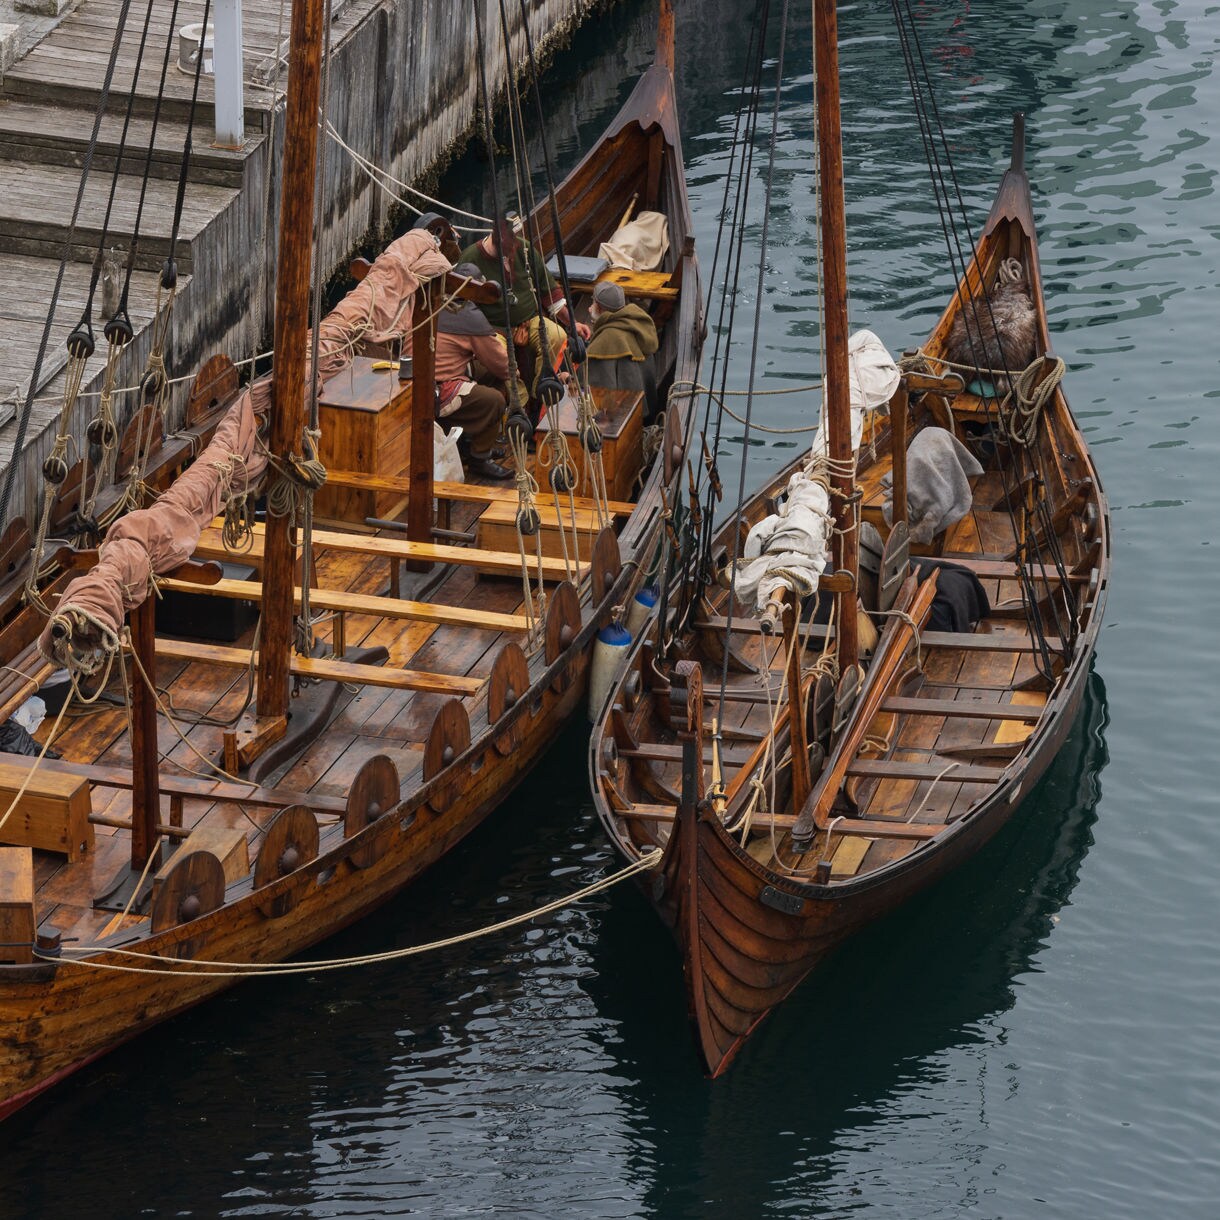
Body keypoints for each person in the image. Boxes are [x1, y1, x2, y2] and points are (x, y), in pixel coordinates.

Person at [459, 214, 590, 421]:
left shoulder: (525, 249)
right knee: (501, 356)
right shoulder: (471, 258)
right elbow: (463, 307)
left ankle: (541, 389)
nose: (517, 245)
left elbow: (550, 293)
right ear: (498, 237)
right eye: (512, 240)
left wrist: (572, 323)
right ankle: (521, 408)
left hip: (529, 320)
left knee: (556, 335)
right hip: (492, 329)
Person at [433, 263, 515, 480]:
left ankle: (470, 444)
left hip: (419, 380)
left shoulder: (433, 302)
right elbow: (504, 365)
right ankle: (480, 458)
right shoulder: (468, 314)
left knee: (487, 375)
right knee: (495, 399)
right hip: (438, 390)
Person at [584, 279, 659, 408]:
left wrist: (568, 379)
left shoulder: (604, 342)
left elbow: (598, 393)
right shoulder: (640, 325)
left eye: (593, 303)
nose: (589, 309)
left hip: (619, 418)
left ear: (599, 307)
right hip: (644, 409)